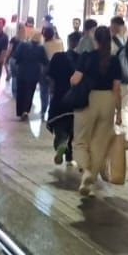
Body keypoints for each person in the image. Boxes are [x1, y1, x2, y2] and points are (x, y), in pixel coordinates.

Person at [68, 25, 123, 197]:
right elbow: (117, 89)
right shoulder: (115, 60)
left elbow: (75, 80)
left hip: (88, 100)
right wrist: (119, 112)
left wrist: (71, 81)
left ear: (95, 39)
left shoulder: (87, 57)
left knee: (81, 140)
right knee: (99, 143)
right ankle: (90, 179)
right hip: (108, 101)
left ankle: (86, 171)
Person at [46, 36, 77, 167]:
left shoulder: (57, 57)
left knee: (59, 126)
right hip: (75, 100)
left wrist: (52, 90)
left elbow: (50, 77)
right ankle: (70, 157)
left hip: (59, 98)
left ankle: (61, 144)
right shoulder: (82, 59)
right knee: (73, 128)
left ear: (68, 43)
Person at [10, 26, 47, 120]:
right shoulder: (41, 48)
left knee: (21, 92)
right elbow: (45, 61)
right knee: (29, 93)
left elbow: (16, 56)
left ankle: (20, 111)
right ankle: (26, 111)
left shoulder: (23, 45)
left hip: (22, 72)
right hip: (34, 74)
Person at [38, 23, 63, 119]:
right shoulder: (60, 42)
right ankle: (52, 111)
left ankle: (43, 110)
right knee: (54, 91)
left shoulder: (44, 45)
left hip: (45, 69)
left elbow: (41, 59)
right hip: (57, 70)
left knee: (43, 90)